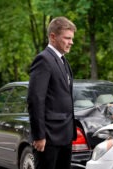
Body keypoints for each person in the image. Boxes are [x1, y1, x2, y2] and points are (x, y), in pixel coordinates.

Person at [27, 16, 77, 169]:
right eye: (67, 38)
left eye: (72, 38)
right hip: (48, 138)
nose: (71, 42)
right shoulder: (43, 60)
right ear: (53, 37)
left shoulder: (63, 60)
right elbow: (35, 100)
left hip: (65, 135)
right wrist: (39, 136)